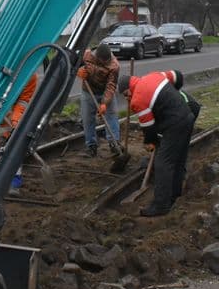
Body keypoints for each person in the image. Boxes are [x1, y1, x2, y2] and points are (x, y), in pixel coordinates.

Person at [118, 69, 200, 217]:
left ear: (129, 90)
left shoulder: (137, 99)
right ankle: (175, 195)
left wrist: (152, 142)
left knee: (163, 163)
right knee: (178, 159)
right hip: (187, 115)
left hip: (174, 123)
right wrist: (174, 96)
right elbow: (177, 75)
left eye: (125, 95)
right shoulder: (154, 75)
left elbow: (148, 127)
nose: (127, 99)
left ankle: (161, 205)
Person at [77, 43, 122, 159]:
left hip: (105, 92)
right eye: (101, 61)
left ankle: (114, 143)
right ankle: (91, 146)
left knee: (111, 115)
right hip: (88, 91)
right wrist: (79, 70)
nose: (103, 63)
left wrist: (104, 103)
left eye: (105, 61)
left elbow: (111, 86)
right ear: (97, 56)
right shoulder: (86, 55)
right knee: (87, 119)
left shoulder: (114, 65)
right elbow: (74, 63)